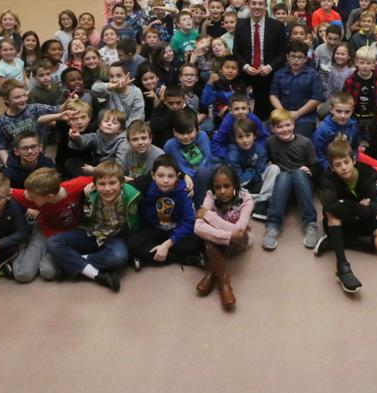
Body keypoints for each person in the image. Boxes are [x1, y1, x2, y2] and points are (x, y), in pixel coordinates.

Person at [314, 138, 377, 294]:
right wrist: (359, 206)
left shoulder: (368, 174)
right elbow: (331, 206)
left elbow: (373, 207)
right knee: (332, 213)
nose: (344, 168)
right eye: (338, 165)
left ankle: (336, 241)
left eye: (346, 162)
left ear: (353, 160)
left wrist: (347, 204)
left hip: (362, 218)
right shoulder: (327, 179)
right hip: (342, 220)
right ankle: (342, 267)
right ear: (332, 168)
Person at [45, 161, 135, 291]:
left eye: (112, 183)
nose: (107, 189)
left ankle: (72, 262)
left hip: (115, 236)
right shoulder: (88, 193)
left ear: (121, 184)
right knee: (53, 242)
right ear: (95, 184)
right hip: (91, 233)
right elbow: (67, 192)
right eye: (102, 184)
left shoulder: (131, 194)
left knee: (118, 257)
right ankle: (98, 275)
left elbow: (146, 182)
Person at [128, 155, 203, 268]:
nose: (166, 180)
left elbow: (188, 222)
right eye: (160, 176)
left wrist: (168, 244)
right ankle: (185, 258)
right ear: (153, 176)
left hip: (176, 230)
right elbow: (123, 186)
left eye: (171, 176)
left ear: (178, 177)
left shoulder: (184, 192)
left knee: (197, 241)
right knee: (131, 244)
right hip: (153, 229)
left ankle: (150, 257)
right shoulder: (145, 187)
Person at [194, 164, 252, 308]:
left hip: (240, 242)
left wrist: (209, 216)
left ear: (235, 186)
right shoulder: (210, 195)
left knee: (210, 243)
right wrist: (229, 235)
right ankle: (224, 281)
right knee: (209, 243)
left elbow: (239, 232)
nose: (222, 191)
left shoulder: (246, 199)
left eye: (227, 186)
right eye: (218, 187)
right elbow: (197, 227)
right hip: (222, 239)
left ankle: (213, 273)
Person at [262, 107, 320, 251]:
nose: (285, 129)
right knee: (283, 175)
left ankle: (310, 224)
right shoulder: (270, 142)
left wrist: (310, 170)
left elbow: (316, 167)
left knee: (297, 173)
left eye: (288, 125)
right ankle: (273, 226)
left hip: (302, 185)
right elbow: (267, 162)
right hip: (282, 188)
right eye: (280, 127)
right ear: (273, 128)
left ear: (293, 124)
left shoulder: (305, 142)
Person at [233, 0, 287, 118]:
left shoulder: (277, 26)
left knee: (265, 113)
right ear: (248, 5)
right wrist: (245, 67)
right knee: (243, 111)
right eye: (254, 3)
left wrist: (269, 67)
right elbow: (236, 51)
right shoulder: (240, 25)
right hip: (247, 74)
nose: (257, 7)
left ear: (265, 6)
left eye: (260, 4)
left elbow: (283, 53)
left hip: (268, 74)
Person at [270, 40, 324, 137]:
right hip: (283, 113)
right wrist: (283, 112)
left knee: (299, 138)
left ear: (305, 59)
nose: (296, 60)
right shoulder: (279, 74)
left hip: (305, 116)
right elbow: (273, 95)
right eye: (293, 56)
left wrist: (297, 114)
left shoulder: (313, 75)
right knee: (273, 135)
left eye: (300, 57)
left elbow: (316, 99)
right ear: (287, 57)